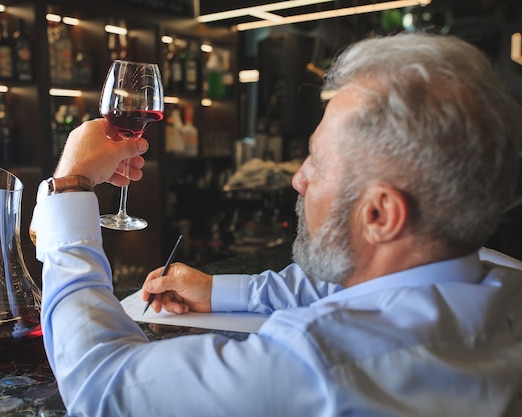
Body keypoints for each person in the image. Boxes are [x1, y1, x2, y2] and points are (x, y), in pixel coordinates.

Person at [32, 32, 522, 417]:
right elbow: (353, 286)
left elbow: (101, 386)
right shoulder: (501, 277)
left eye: (316, 162)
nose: (298, 180)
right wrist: (217, 290)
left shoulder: (323, 368)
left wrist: (70, 189)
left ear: (380, 214)